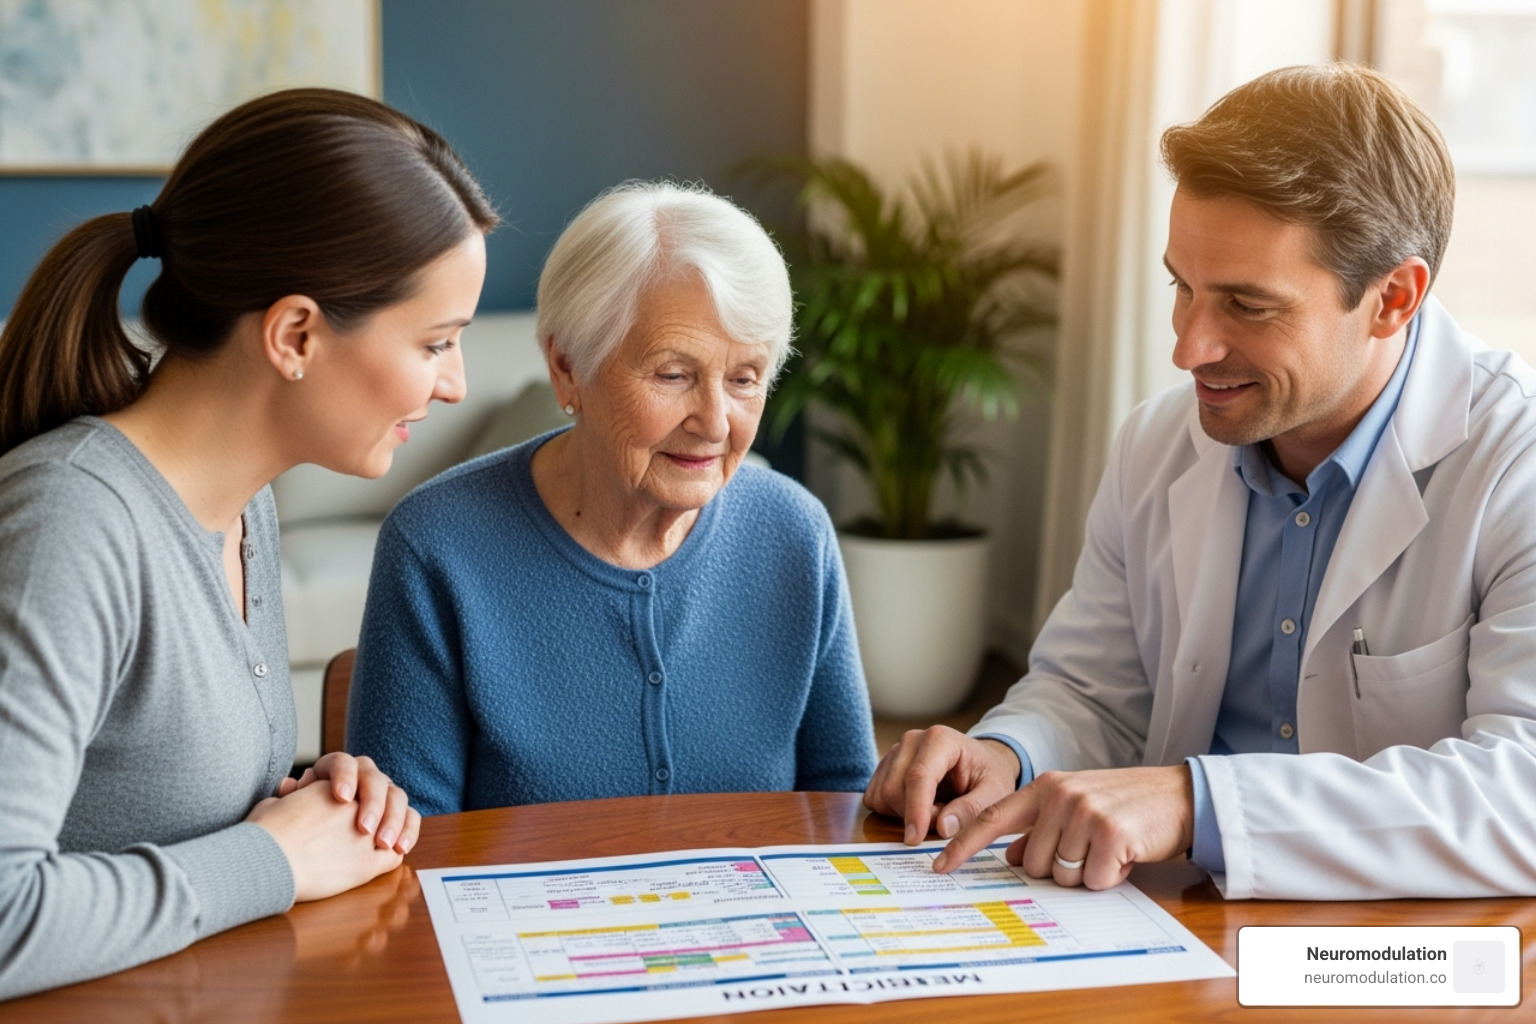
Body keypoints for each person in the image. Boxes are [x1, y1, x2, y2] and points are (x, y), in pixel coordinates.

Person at [865, 63, 1536, 900]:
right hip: (1176, 915)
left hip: (1399, 949)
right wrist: (1007, 755)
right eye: (1181, 287)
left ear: (1393, 298)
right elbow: (1093, 692)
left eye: (1248, 307)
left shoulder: (1515, 463)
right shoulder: (1157, 443)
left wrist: (1198, 803)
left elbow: (1522, 793)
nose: (1189, 348)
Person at [0, 88, 498, 998]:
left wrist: (308, 802)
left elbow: (146, 807)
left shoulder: (243, 505)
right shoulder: (71, 524)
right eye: (436, 343)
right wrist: (274, 857)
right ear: (295, 334)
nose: (456, 384)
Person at [347, 181, 877, 813]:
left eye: (744, 379)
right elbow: (406, 840)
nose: (715, 423)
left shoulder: (794, 531)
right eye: (673, 374)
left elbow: (848, 801)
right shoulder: (435, 544)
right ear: (568, 368)